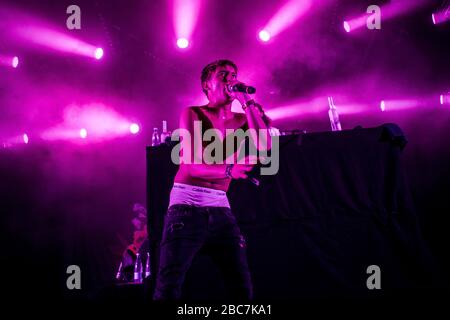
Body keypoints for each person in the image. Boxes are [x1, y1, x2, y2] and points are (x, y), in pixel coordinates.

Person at [153, 59, 271, 301]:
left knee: (241, 287)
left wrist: (247, 101)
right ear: (207, 84)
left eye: (233, 75)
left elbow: (266, 145)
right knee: (169, 286)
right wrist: (230, 170)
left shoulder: (242, 120)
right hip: (186, 206)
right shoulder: (194, 113)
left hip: (220, 207)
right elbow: (193, 166)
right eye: (223, 75)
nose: (230, 79)